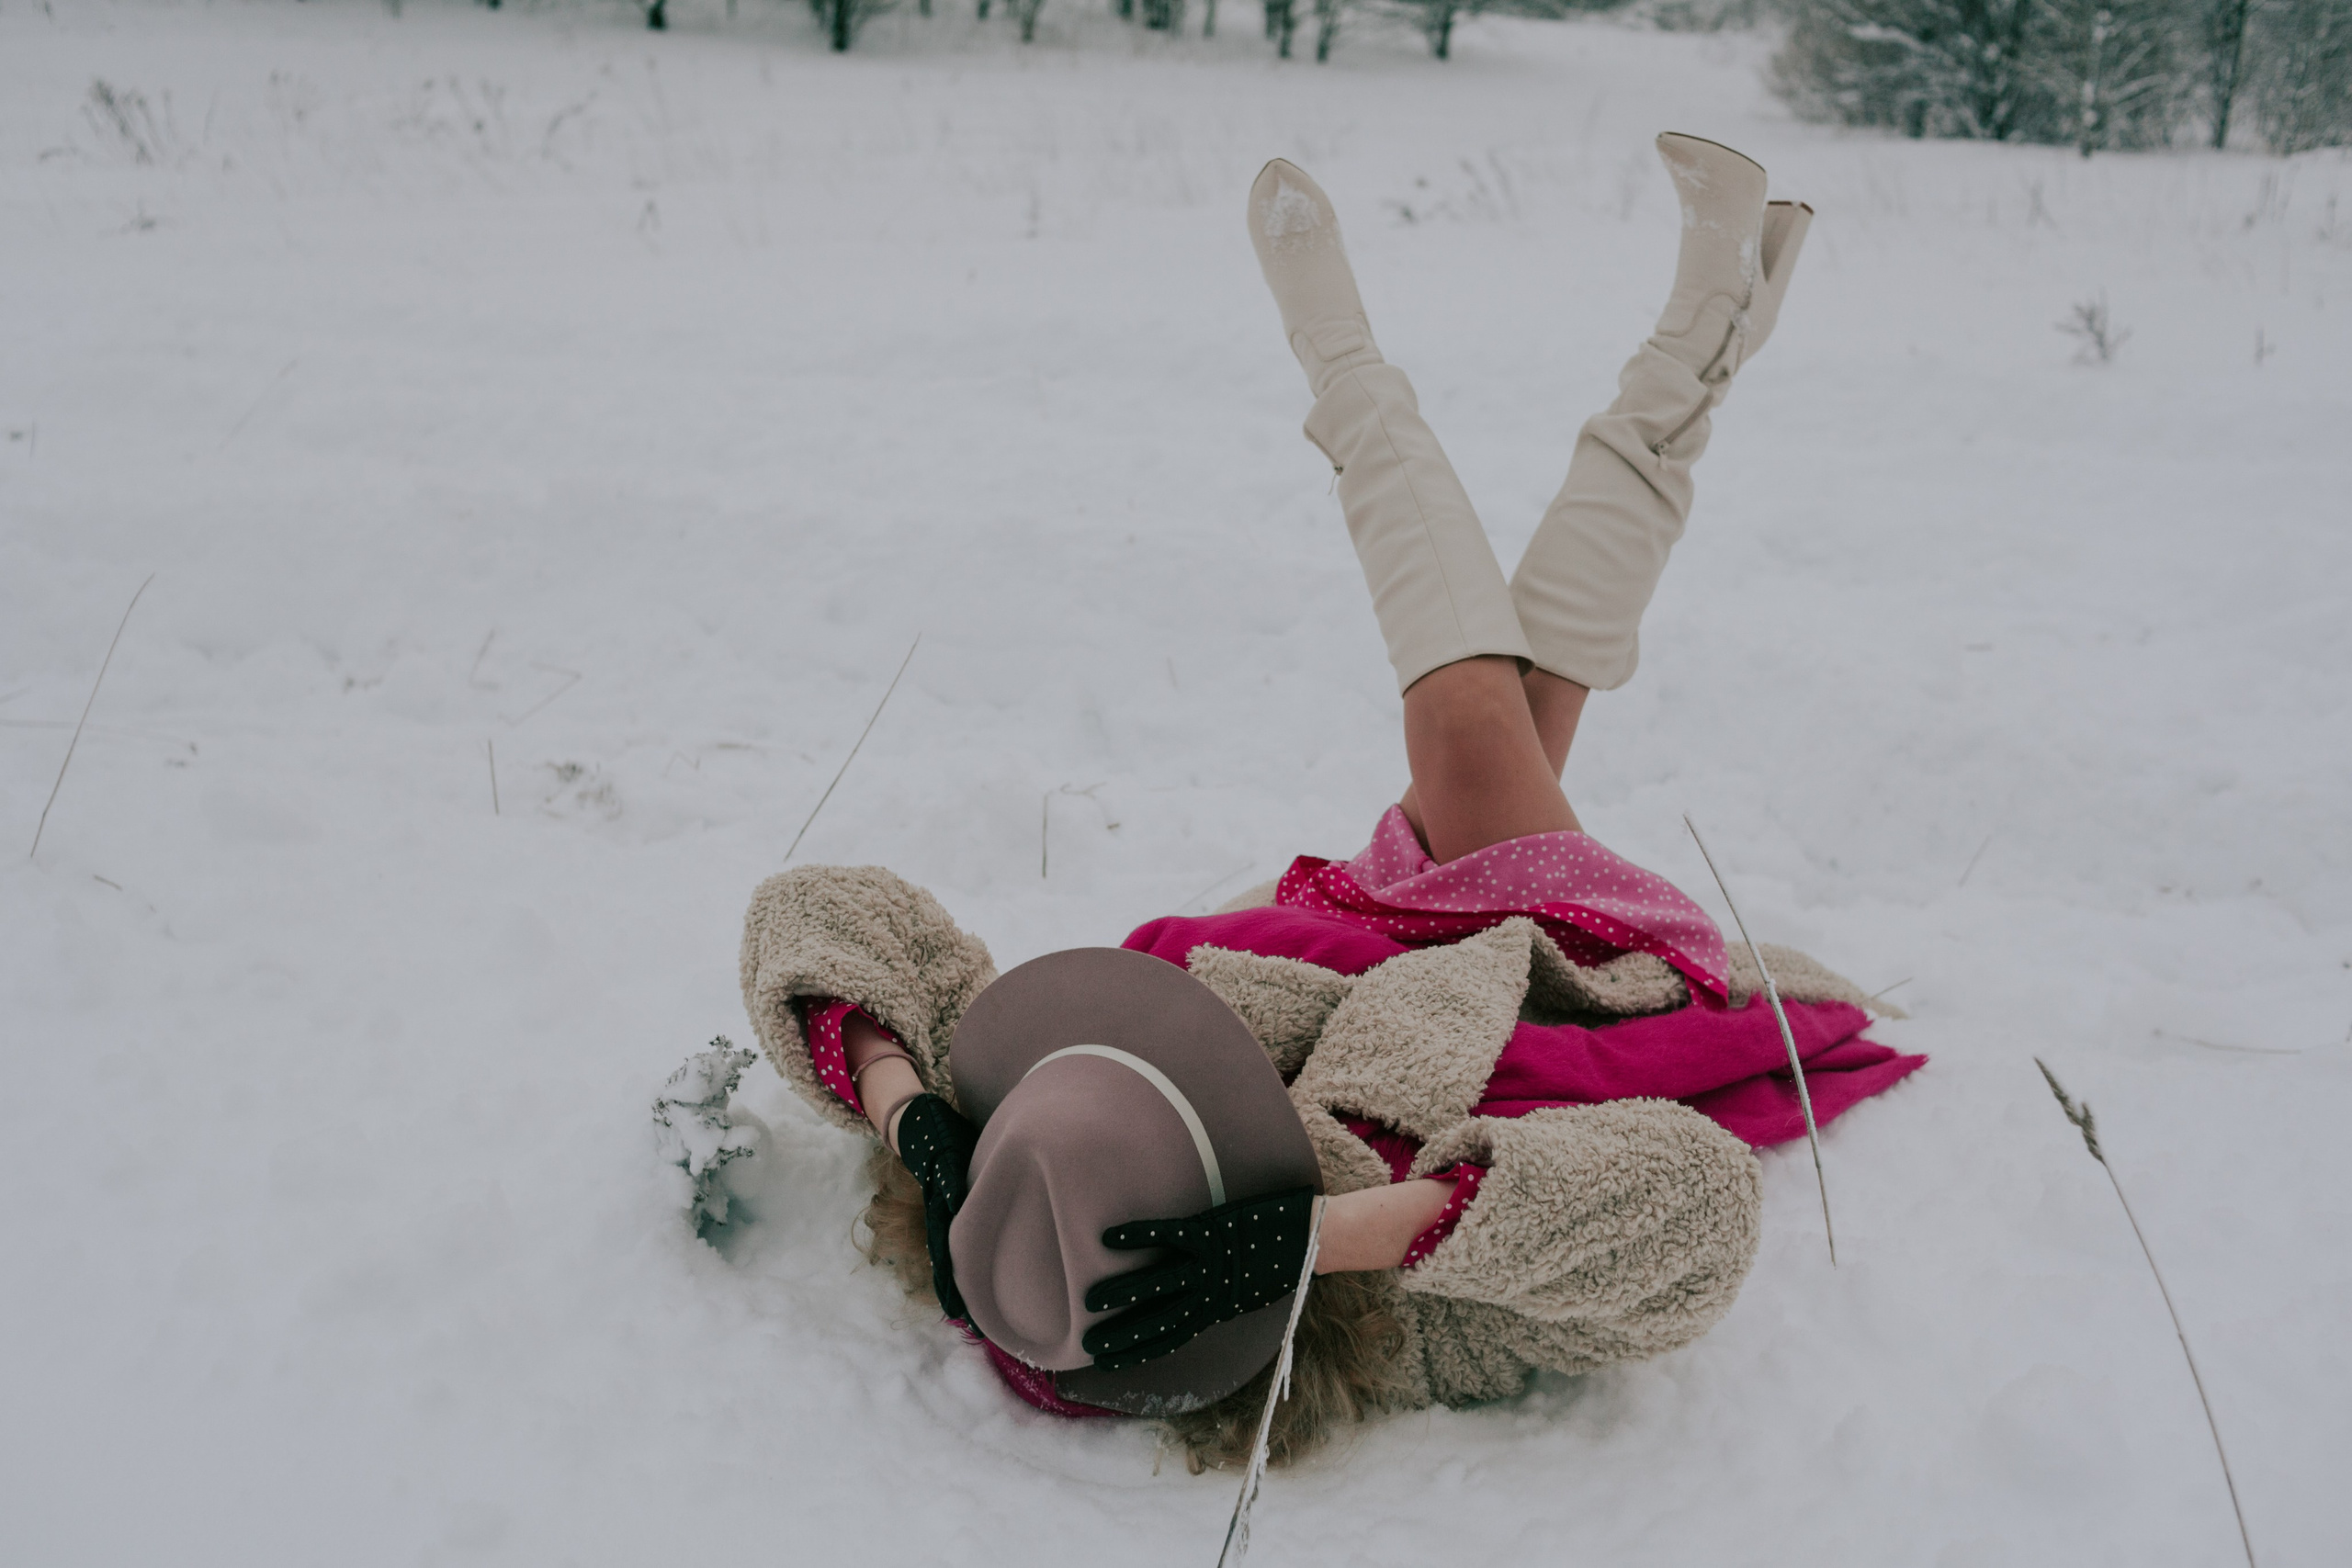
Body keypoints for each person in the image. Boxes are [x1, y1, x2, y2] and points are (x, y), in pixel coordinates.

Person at [735, 136, 1925, 1470]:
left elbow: (816, 912)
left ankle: (1710, 322)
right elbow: (1697, 1220)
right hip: (1570, 965)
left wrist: (925, 1130)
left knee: (1529, 693)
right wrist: (1317, 1235)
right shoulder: (1404, 1325)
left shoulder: (1023, 1197)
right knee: (1476, 709)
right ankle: (1350, 353)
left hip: (1384, 913)